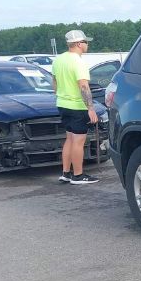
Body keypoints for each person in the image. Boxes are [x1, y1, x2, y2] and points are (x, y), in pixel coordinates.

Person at [52, 30, 99, 184]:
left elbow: (55, 83)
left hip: (62, 104)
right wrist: (90, 108)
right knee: (79, 141)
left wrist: (60, 96)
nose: (88, 44)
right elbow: (84, 86)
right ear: (79, 44)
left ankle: (66, 173)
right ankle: (78, 175)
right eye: (86, 42)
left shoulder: (58, 60)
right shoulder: (78, 62)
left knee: (70, 139)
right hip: (77, 106)